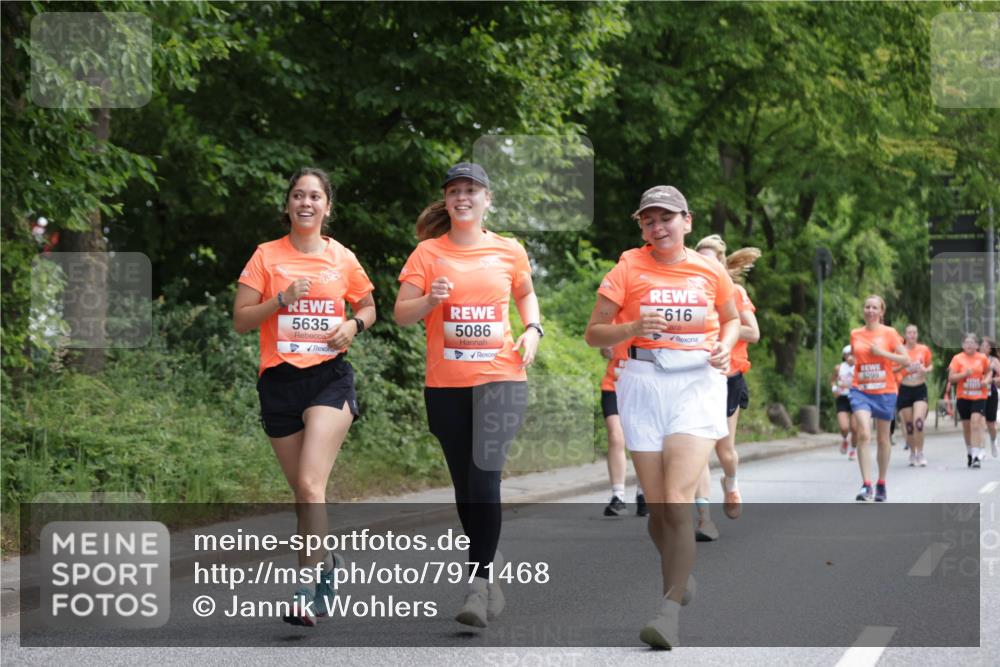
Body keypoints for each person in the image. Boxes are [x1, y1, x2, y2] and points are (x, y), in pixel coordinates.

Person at [584, 185, 739, 649]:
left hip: (697, 384)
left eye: (666, 218)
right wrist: (631, 327)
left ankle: (668, 611)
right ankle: (680, 569)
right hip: (643, 383)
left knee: (675, 499)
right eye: (649, 220)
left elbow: (730, 319)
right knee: (657, 509)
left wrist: (725, 346)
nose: (658, 226)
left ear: (686, 221)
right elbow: (594, 333)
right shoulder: (628, 268)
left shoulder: (710, 270)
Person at [394, 162, 541, 628]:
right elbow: (401, 314)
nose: (463, 197)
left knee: (484, 479)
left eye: (471, 190)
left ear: (487, 199)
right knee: (465, 488)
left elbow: (526, 296)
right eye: (455, 190)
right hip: (445, 385)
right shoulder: (426, 254)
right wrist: (430, 301)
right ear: (447, 199)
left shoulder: (509, 250)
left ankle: (477, 583)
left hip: (501, 379)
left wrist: (533, 329)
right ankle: (490, 568)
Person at [233, 167, 376, 626]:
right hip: (279, 383)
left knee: (312, 485)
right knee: (303, 493)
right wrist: (280, 299)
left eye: (315, 196)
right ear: (288, 204)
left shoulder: (343, 258)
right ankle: (327, 564)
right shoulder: (266, 256)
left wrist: (353, 325)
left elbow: (369, 306)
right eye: (298, 195)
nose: (306, 203)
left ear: (327, 207)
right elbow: (240, 319)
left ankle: (305, 590)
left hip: (329, 380)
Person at [691, 234, 760, 536]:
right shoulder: (689, 294)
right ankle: (704, 518)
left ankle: (730, 483)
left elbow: (753, 333)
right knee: (698, 449)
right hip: (696, 377)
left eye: (712, 260)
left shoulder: (735, 292)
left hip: (729, 376)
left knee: (724, 451)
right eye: (701, 260)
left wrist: (721, 327)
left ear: (721, 263)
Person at [848, 295, 908, 502]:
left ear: (881, 312)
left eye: (875, 307)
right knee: (864, 433)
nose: (870, 310)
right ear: (863, 310)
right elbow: (856, 358)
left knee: (883, 439)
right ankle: (866, 485)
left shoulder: (889, 333)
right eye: (867, 307)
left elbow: (906, 359)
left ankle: (881, 483)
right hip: (860, 390)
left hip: (885, 391)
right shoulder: (855, 334)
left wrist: (882, 352)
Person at [600, 340, 648, 517]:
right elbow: (604, 348)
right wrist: (605, 350)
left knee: (642, 439)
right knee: (615, 436)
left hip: (642, 388)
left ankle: (643, 492)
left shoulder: (653, 317)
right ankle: (618, 496)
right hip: (613, 386)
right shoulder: (615, 318)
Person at [949, 333, 992, 468]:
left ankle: (976, 456)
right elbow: (951, 378)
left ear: (977, 345)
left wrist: (985, 381)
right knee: (967, 427)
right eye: (967, 342)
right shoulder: (957, 359)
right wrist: (964, 374)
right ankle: (969, 451)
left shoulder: (982, 358)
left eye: (972, 342)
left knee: (975, 423)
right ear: (962, 345)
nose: (969, 345)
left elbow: (989, 372)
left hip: (979, 396)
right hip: (963, 397)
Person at [896, 324, 933, 467]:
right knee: (909, 426)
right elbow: (893, 369)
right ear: (905, 335)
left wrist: (925, 370)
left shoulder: (923, 349)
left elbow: (930, 365)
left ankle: (921, 453)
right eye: (909, 333)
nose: (912, 335)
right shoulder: (900, 351)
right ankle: (913, 452)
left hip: (919, 389)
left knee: (918, 422)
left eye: (914, 333)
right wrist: (904, 366)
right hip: (904, 389)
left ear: (917, 335)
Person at [832, 345, 858, 460]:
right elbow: (833, 381)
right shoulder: (838, 368)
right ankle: (845, 439)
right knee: (844, 427)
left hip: (855, 397)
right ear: (844, 356)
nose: (850, 357)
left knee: (854, 428)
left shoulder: (859, 367)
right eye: (847, 354)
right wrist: (834, 389)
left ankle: (853, 450)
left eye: (852, 354)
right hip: (842, 398)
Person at [981, 337, 1000, 458]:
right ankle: (980, 449)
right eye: (982, 345)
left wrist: (992, 380)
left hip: (991, 393)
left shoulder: (994, 361)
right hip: (977, 394)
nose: (983, 348)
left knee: (990, 424)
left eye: (986, 346)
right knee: (979, 421)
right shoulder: (975, 359)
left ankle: (994, 441)